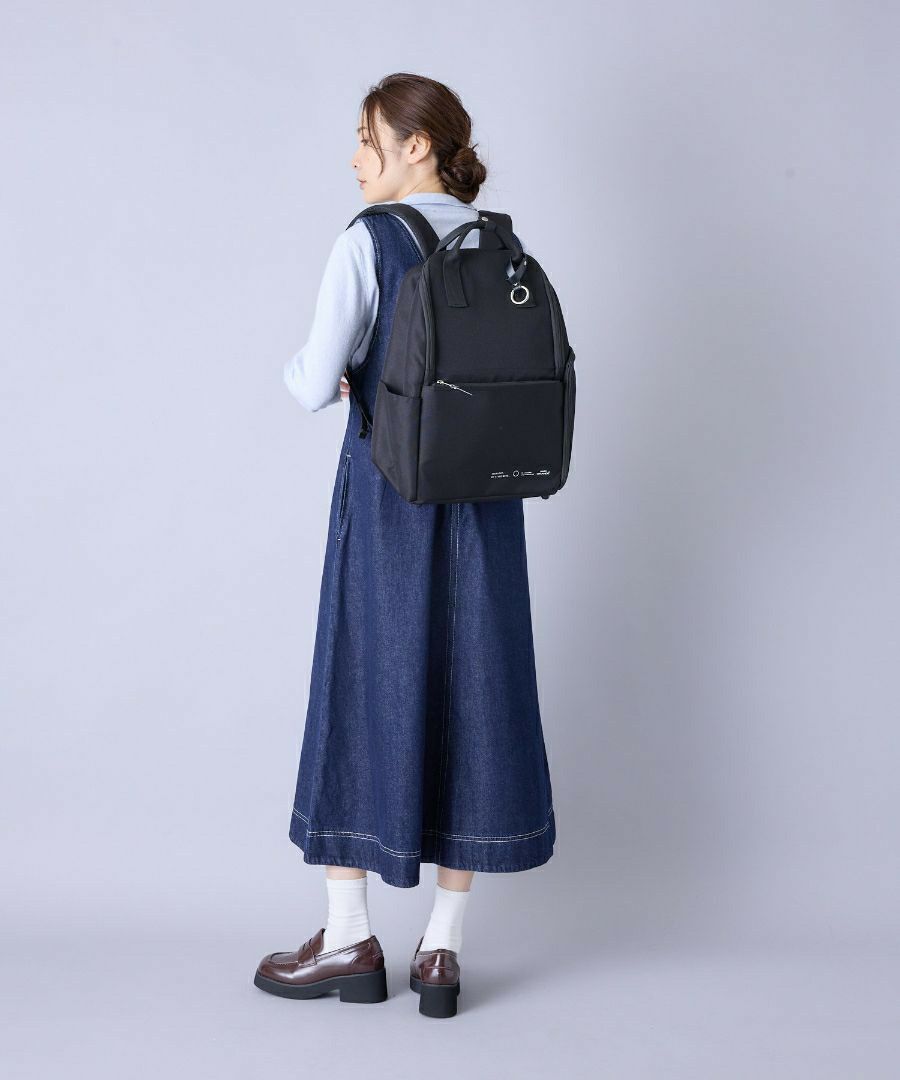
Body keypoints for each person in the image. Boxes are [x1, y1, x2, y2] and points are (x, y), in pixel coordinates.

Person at [254, 73, 555, 1019]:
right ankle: (441, 952)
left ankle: (348, 938)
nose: (355, 157)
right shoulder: (499, 244)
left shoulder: (368, 241)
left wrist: (332, 369)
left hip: (390, 502)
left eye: (366, 136)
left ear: (416, 143)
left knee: (362, 685)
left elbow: (312, 383)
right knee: (478, 696)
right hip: (487, 511)